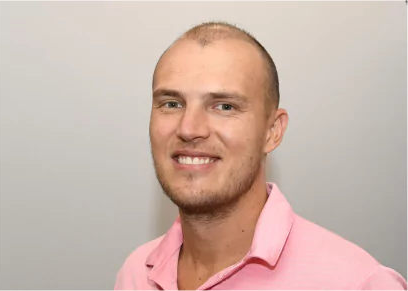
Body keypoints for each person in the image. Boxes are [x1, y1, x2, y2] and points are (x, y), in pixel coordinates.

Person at [114, 21, 408, 291]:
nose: (189, 129)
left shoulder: (359, 284)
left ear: (272, 131)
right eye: (172, 103)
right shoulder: (136, 274)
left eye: (224, 106)